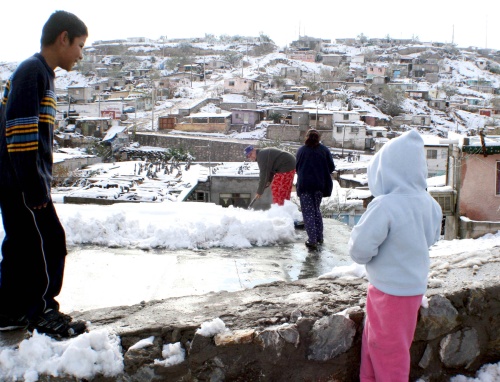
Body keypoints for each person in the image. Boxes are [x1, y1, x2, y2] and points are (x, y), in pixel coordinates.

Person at [0, 11, 88, 338]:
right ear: (63, 38)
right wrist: (35, 189)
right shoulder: (32, 72)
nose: (80, 54)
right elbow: (20, 136)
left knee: (21, 246)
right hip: (23, 184)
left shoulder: (40, 73)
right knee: (46, 244)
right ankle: (42, 311)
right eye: (79, 45)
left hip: (19, 183)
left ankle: (8, 311)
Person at [348, 130, 442, 381]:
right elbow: (431, 239)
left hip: (388, 293)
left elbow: (359, 251)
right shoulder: (430, 204)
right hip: (412, 290)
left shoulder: (385, 205)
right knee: (380, 347)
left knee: (387, 354)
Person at [295, 129, 335, 250]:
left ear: (306, 137)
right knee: (316, 211)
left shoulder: (301, 151)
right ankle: (319, 237)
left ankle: (312, 240)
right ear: (318, 138)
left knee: (308, 212)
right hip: (319, 185)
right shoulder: (324, 150)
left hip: (305, 186)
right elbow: (331, 167)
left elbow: (297, 167)